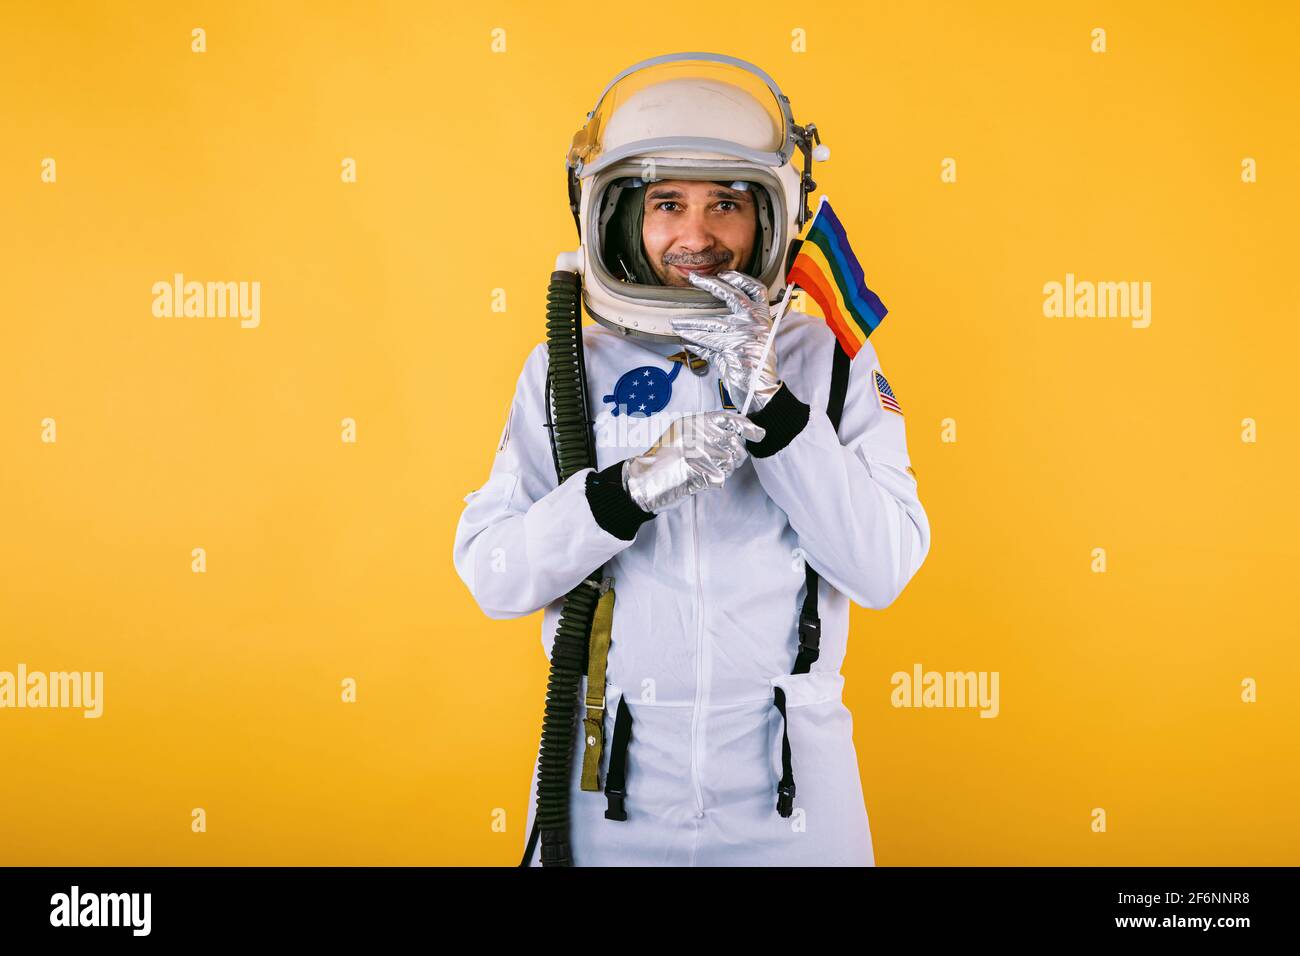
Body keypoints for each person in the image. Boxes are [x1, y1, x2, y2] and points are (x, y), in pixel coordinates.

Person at [453, 53, 931, 866]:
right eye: (667, 203)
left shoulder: (830, 358)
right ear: (616, 214)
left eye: (728, 204)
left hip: (793, 796)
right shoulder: (568, 365)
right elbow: (495, 576)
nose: (697, 237)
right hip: (608, 787)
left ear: (774, 216)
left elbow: (883, 567)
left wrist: (778, 413)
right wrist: (622, 494)